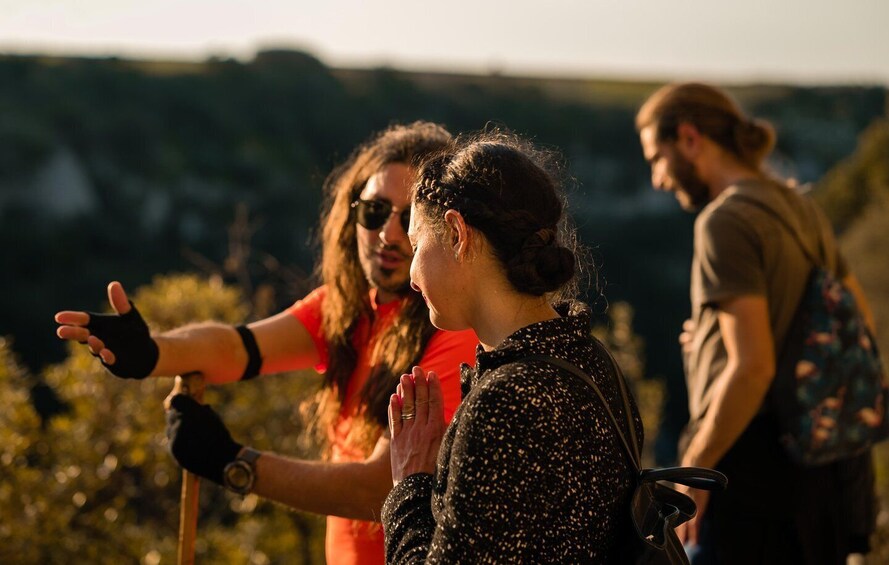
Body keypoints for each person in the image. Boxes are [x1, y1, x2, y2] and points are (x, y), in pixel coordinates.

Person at [54, 121, 479, 565]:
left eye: (408, 217)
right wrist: (151, 353)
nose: (388, 235)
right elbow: (238, 348)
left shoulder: (452, 330)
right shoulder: (346, 309)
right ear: (351, 215)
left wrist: (235, 464)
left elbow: (378, 488)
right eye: (373, 212)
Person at [635, 82, 878, 564]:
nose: (659, 179)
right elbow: (859, 320)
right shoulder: (799, 207)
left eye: (656, 158)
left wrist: (695, 470)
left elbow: (752, 366)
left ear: (689, 138)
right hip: (817, 477)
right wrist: (709, 343)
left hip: (754, 480)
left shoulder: (724, 220)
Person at [379, 131, 643, 563]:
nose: (411, 275)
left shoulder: (505, 401)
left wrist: (410, 482)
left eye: (415, 245)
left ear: (456, 232)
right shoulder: (593, 362)